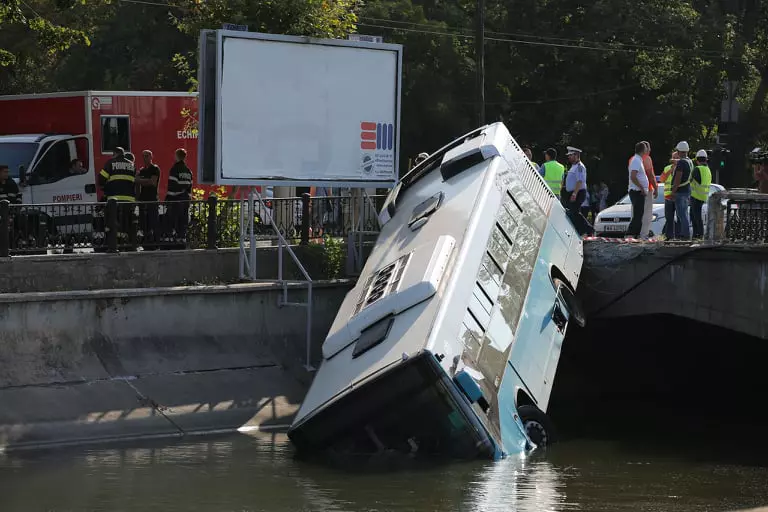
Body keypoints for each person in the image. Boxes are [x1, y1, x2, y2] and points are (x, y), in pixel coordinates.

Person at [99, 146, 137, 244]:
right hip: (129, 200)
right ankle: (127, 243)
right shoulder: (132, 164)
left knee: (114, 222)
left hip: (114, 199)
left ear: (115, 154)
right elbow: (135, 182)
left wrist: (105, 187)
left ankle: (115, 244)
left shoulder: (111, 163)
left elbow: (101, 179)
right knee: (126, 222)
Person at [165, 148, 194, 241]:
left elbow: (172, 185)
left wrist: (168, 198)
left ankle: (170, 237)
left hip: (175, 199)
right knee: (183, 220)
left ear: (177, 156)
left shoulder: (175, 169)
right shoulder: (188, 171)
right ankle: (182, 237)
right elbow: (190, 186)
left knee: (171, 218)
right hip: (185, 199)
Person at [563, 146, 591, 235]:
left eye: (570, 155)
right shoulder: (574, 166)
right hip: (573, 192)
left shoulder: (579, 167)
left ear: (576, 155)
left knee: (574, 212)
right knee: (573, 213)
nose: (569, 157)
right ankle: (580, 231)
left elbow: (580, 181)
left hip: (578, 192)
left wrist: (574, 193)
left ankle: (589, 229)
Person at [137, 150, 161, 245]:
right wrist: (145, 181)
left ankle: (156, 242)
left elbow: (153, 182)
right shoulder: (142, 170)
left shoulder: (155, 168)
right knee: (144, 222)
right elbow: (138, 182)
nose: (145, 158)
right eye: (143, 156)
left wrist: (140, 180)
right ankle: (146, 241)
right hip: (143, 199)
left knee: (153, 221)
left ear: (151, 157)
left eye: (147, 156)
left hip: (152, 199)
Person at [670, 141, 693, 240]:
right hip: (686, 190)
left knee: (681, 215)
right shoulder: (689, 161)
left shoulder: (681, 163)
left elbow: (678, 178)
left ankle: (685, 236)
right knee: (684, 214)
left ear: (679, 151)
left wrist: (673, 192)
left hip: (681, 192)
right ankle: (684, 234)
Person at [627, 141, 649, 238]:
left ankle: (636, 234)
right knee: (637, 214)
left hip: (638, 191)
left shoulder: (638, 160)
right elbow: (633, 176)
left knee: (639, 214)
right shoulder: (636, 160)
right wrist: (642, 188)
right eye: (646, 148)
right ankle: (630, 233)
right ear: (643, 150)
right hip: (637, 191)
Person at [690, 149, 712, 239]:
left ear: (697, 160)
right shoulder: (708, 170)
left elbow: (690, 180)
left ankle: (699, 235)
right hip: (703, 196)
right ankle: (697, 235)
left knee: (696, 217)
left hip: (695, 196)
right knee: (695, 216)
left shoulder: (697, 169)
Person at [659, 150, 681, 239]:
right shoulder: (667, 168)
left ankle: (679, 237)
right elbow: (662, 179)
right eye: (673, 158)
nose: (675, 159)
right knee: (669, 218)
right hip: (668, 197)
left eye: (677, 158)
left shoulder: (682, 167)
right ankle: (669, 237)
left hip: (678, 196)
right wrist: (671, 170)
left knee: (680, 218)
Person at [639, 141, 658, 239]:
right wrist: (656, 188)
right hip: (647, 189)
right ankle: (644, 235)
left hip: (637, 189)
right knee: (647, 213)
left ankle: (637, 233)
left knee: (637, 213)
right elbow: (650, 175)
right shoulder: (647, 158)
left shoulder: (634, 159)